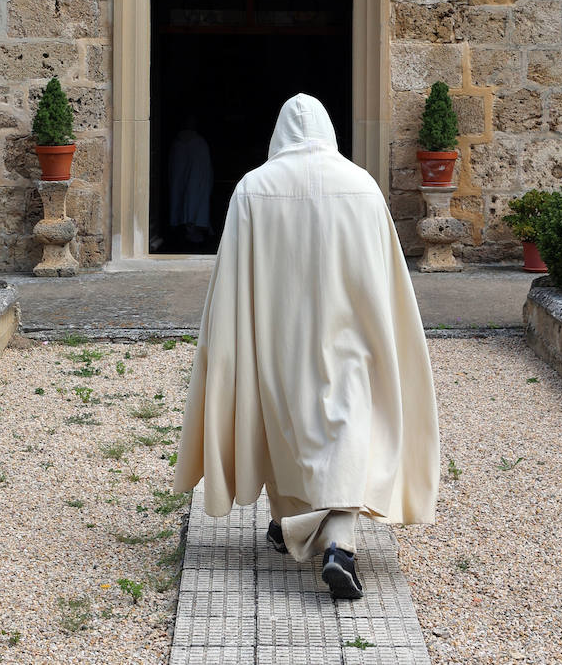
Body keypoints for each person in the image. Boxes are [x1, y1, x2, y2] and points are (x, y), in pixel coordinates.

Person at [173, 93, 440, 600]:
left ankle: (304, 527)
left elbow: (232, 279)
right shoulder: (361, 185)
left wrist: (233, 343)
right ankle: (327, 538)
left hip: (280, 338)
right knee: (345, 429)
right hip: (352, 338)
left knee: (289, 428)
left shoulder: (254, 188)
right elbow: (385, 276)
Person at [167, 115, 213, 244]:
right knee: (193, 202)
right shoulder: (200, 143)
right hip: (196, 187)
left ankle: (184, 225)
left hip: (182, 187)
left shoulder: (177, 144)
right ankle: (192, 226)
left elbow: (173, 172)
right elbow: (205, 173)